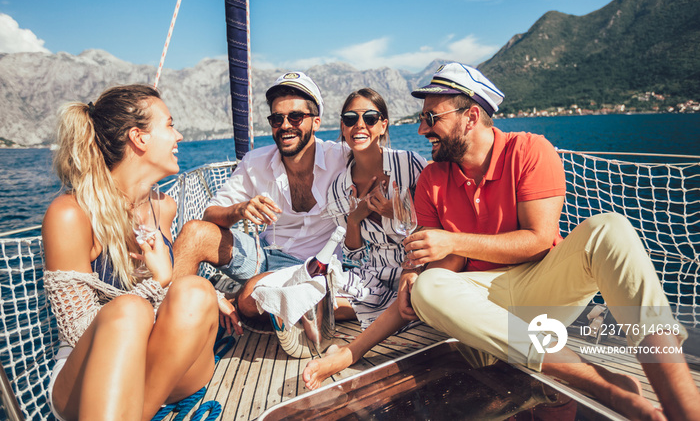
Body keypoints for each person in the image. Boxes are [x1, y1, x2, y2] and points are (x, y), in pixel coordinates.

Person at [399, 62, 700, 421]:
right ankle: (598, 382)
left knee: (610, 228)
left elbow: (539, 241)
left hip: (540, 287)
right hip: (478, 299)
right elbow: (446, 266)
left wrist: (450, 240)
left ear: (471, 116)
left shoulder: (530, 150)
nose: (421, 129)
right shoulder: (431, 179)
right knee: (429, 287)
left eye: (432, 118)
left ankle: (683, 403)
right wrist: (415, 272)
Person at [42, 85, 219, 421]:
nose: (178, 135)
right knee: (129, 312)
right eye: (169, 125)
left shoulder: (163, 207)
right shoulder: (71, 215)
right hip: (89, 381)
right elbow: (77, 332)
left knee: (196, 291)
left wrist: (194, 296)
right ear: (139, 138)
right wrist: (159, 281)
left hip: (161, 370)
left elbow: (174, 297)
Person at [172, 71, 346, 335]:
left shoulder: (342, 159)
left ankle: (242, 302)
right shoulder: (255, 162)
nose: (285, 125)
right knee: (194, 234)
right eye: (277, 118)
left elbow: (388, 160)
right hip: (264, 254)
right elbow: (210, 215)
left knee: (250, 298)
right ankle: (173, 327)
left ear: (316, 121)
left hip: (315, 267)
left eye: (295, 116)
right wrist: (239, 210)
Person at [302, 88, 427, 389]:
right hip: (372, 272)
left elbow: (435, 226)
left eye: (370, 118)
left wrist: (394, 214)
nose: (359, 125)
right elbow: (354, 257)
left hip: (416, 266)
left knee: (410, 299)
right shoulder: (337, 189)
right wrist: (354, 219)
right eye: (350, 119)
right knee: (315, 296)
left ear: (383, 125)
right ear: (343, 128)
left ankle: (347, 351)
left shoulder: (411, 166)